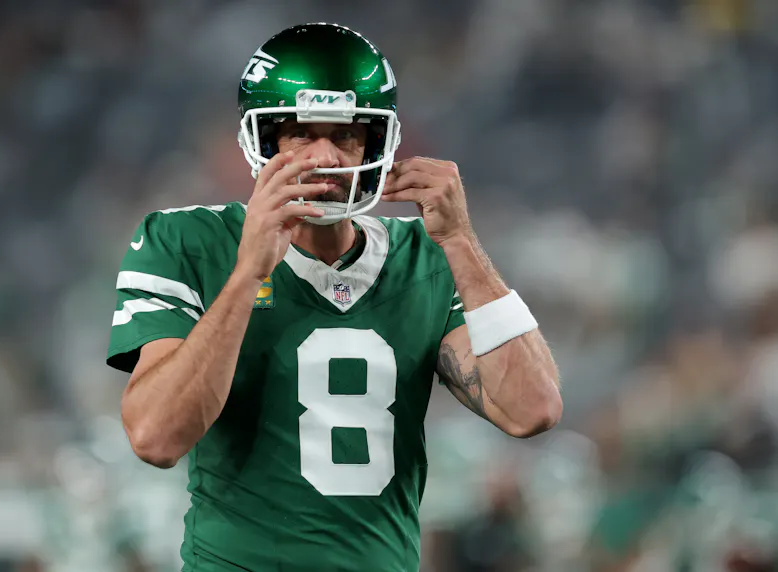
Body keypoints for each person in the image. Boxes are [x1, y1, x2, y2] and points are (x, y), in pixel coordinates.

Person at [107, 22, 562, 572]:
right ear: (264, 140)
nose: (326, 156)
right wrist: (248, 273)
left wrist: (462, 242)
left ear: (377, 142)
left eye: (346, 135)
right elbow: (155, 438)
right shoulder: (187, 242)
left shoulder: (428, 257)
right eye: (301, 133)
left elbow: (533, 409)